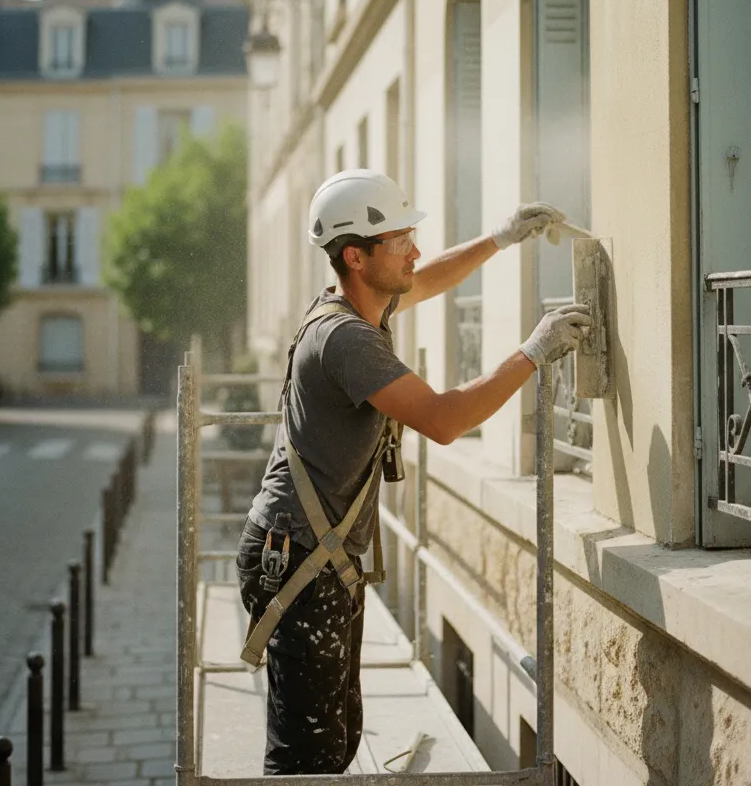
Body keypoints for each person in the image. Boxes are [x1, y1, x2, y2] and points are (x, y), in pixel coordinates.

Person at [236, 169, 590, 776]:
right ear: (355, 254)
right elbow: (446, 419)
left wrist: (501, 238)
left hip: (316, 557)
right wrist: (532, 352)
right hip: (295, 559)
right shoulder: (346, 339)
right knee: (306, 762)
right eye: (401, 240)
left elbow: (427, 279)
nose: (415, 251)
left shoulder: (359, 301)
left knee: (337, 744)